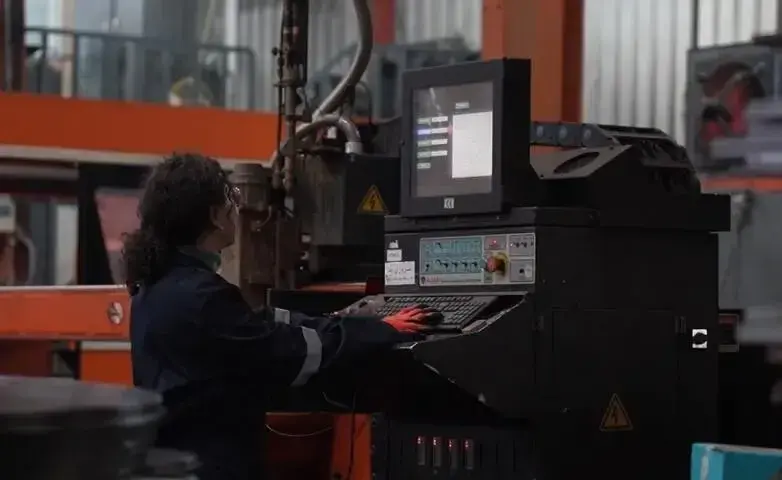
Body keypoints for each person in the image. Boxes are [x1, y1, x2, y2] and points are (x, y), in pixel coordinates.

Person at [124, 153, 435, 480]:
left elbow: (261, 325)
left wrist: (340, 321)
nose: (237, 208)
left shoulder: (157, 285)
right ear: (215, 215)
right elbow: (284, 349)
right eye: (231, 198)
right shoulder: (200, 297)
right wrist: (378, 331)